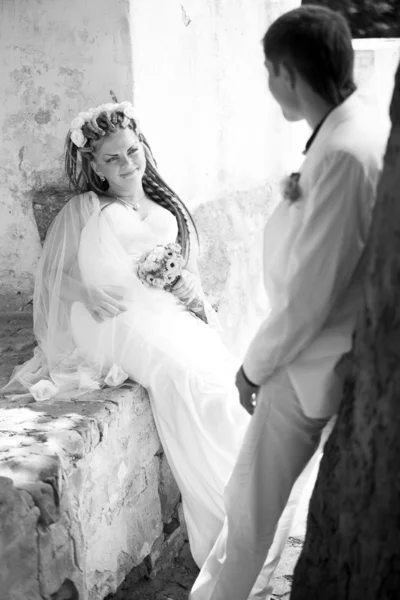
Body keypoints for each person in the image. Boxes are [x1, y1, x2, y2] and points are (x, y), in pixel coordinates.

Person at [190, 6, 390, 600]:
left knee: (248, 511)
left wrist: (253, 367)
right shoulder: (349, 129)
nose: (268, 82)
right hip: (315, 352)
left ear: (286, 73)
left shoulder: (346, 153)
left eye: (268, 70)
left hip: (307, 364)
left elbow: (310, 297)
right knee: (249, 512)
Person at [3, 100, 251, 567]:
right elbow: (54, 275)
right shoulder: (87, 207)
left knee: (220, 375)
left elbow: (190, 275)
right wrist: (87, 295)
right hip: (105, 318)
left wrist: (186, 284)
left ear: (143, 149)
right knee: (183, 376)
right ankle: (223, 519)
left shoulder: (164, 204)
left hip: (160, 311)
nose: (126, 164)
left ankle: (251, 494)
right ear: (94, 167)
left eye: (132, 152)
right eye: (112, 158)